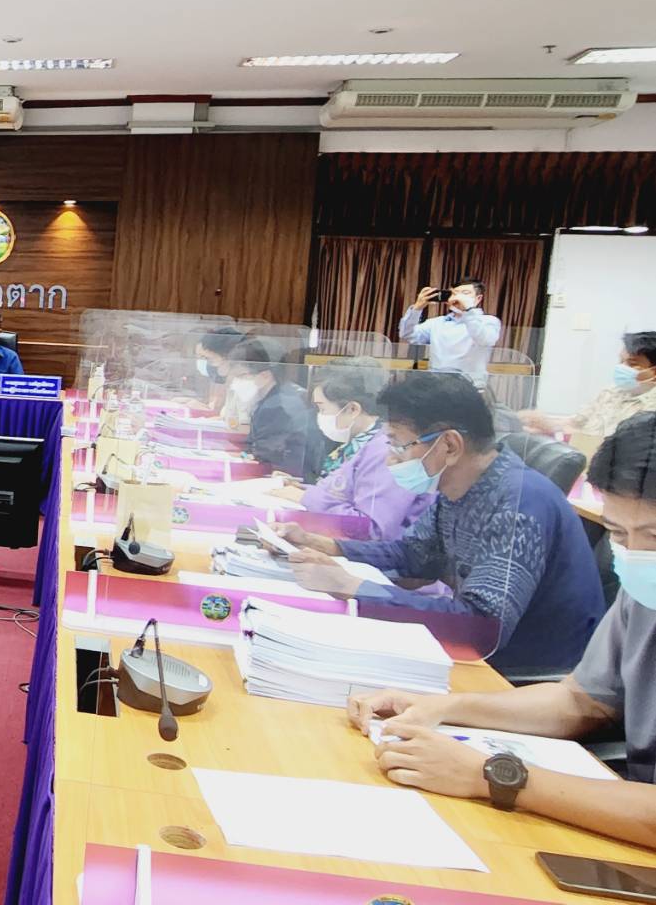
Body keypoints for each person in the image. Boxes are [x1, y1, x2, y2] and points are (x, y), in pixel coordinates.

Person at [344, 413, 656, 846]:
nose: (636, 553)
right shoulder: (643, 590)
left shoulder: (520, 503)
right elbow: (582, 701)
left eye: (653, 536)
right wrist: (443, 706)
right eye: (619, 535)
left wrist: (493, 775)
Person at [279, 371, 604, 671]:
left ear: (449, 445)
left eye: (398, 444)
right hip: (476, 655)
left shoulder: (519, 505)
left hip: (520, 674)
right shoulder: (459, 488)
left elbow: (481, 626)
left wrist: (351, 586)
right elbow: (414, 554)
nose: (390, 458)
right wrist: (326, 545)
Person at [268, 359, 432, 540]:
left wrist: (305, 497)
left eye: (322, 408)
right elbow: (343, 491)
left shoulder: (385, 450)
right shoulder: (358, 444)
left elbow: (372, 529)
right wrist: (301, 488)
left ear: (353, 409)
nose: (318, 416)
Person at [220, 337, 323, 480]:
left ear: (265, 375)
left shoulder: (278, 406)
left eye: (241, 376)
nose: (235, 382)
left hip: (288, 478)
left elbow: (265, 455)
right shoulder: (274, 397)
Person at [520, 331, 656, 439]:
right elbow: (578, 422)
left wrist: (561, 433)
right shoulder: (612, 392)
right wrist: (544, 423)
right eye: (621, 361)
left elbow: (615, 446)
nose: (622, 367)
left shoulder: (651, 409)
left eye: (632, 364)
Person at [400, 277, 503, 385]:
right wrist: (417, 309)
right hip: (436, 383)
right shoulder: (436, 322)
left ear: (478, 299)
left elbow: (485, 340)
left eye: (465, 293)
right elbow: (407, 334)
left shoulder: (488, 321)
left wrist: (469, 309)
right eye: (454, 293)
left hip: (471, 385)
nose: (458, 297)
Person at [186, 327, 250, 424]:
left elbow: (240, 425)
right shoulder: (233, 383)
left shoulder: (246, 387)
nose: (209, 365)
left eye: (208, 359)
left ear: (228, 357)